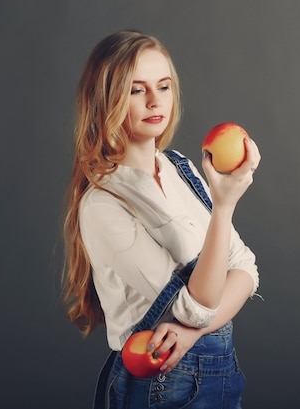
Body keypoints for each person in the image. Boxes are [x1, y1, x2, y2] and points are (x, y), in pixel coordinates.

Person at [62, 30, 261, 408]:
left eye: (164, 86)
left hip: (221, 374)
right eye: (137, 90)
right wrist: (224, 206)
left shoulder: (181, 168)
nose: (156, 101)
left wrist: (187, 336)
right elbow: (195, 308)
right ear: (107, 101)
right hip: (162, 386)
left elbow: (246, 269)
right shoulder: (103, 204)